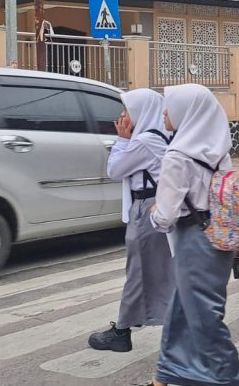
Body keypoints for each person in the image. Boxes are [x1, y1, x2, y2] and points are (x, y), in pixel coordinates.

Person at [147, 84, 239, 386]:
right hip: (219, 238)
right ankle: (165, 375)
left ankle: (232, 379)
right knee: (181, 310)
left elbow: (164, 217)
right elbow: (225, 200)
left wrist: (154, 211)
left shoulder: (177, 156)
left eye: (170, 106)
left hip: (194, 243)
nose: (165, 113)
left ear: (186, 112)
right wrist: (238, 246)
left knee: (204, 318)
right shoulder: (218, 151)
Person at [89, 89, 174, 353]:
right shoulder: (160, 135)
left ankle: (122, 331)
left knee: (138, 271)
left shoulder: (144, 141)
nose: (122, 116)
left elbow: (114, 170)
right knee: (154, 272)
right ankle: (170, 324)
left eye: (127, 110)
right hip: (152, 207)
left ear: (141, 112)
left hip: (147, 209)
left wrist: (121, 140)